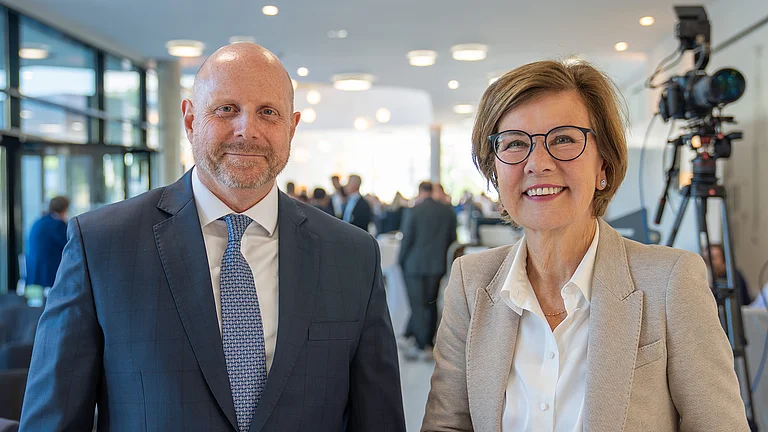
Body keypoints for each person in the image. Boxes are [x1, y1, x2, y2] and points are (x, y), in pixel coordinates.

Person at [20, 43, 405, 432]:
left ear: (291, 127)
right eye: (226, 109)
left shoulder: (352, 255)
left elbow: (379, 420)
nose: (247, 130)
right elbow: (51, 421)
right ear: (190, 120)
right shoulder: (102, 245)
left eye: (268, 112)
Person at [421, 60, 749, 431]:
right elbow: (446, 424)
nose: (538, 163)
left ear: (603, 166)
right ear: (494, 171)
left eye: (563, 139)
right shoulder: (470, 282)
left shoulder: (669, 282)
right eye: (514, 143)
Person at [399, 181, 457, 361]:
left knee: (418, 306)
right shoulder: (447, 212)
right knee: (431, 304)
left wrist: (401, 261)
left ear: (420, 192)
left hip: (414, 265)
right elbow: (452, 240)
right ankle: (428, 343)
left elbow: (407, 239)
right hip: (437, 265)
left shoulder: (413, 211)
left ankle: (420, 344)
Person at [25, 196, 70, 289]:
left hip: (34, 275)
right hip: (49, 277)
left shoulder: (39, 221)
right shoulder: (57, 225)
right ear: (64, 209)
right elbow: (70, 246)